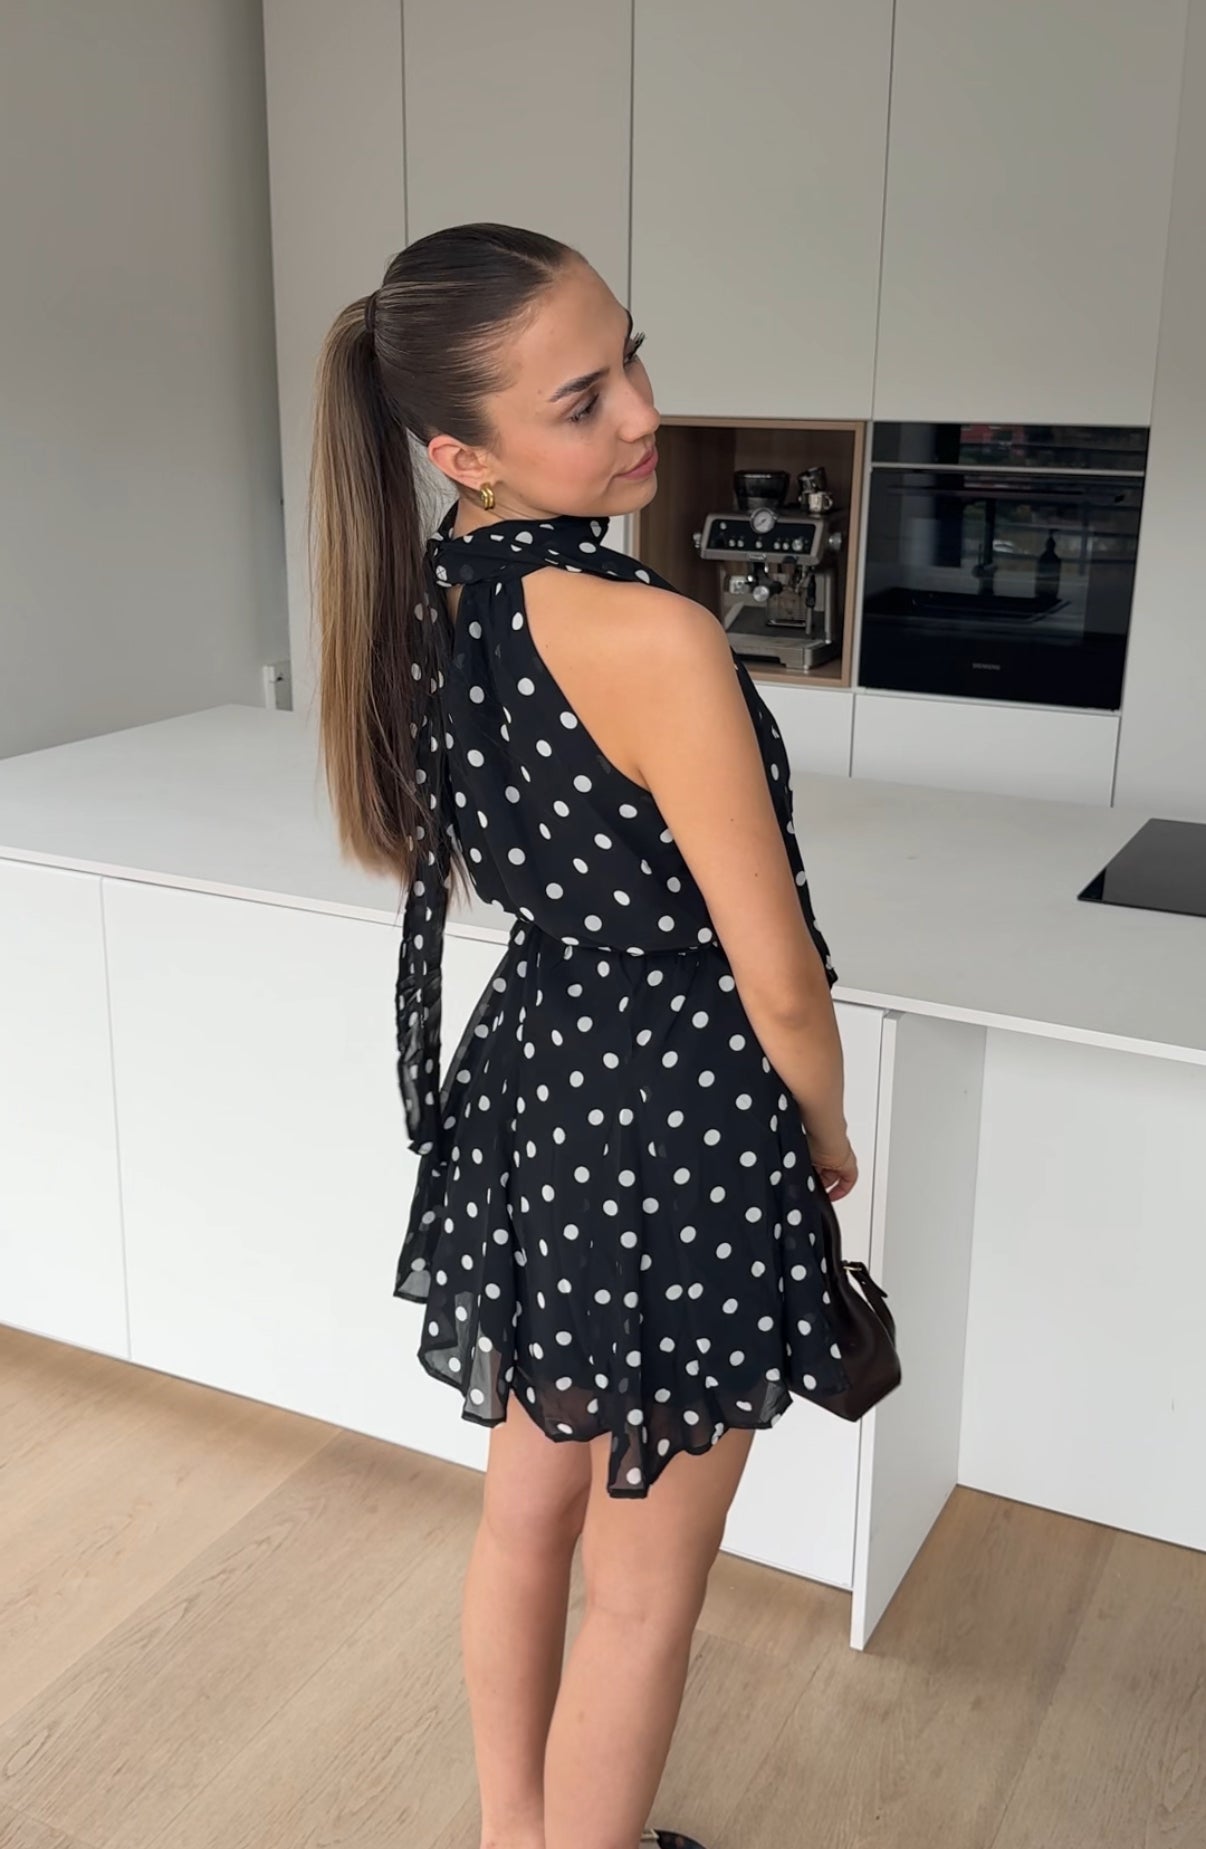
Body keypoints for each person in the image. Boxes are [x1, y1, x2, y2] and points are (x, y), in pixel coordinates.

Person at [308, 222, 859, 1849]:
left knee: (525, 1522)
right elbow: (776, 980)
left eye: (630, 356)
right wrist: (822, 1126)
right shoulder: (650, 634)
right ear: (461, 452)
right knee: (639, 1591)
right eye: (580, 398)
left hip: (536, 1079)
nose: (640, 412)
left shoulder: (423, 598)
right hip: (680, 1103)